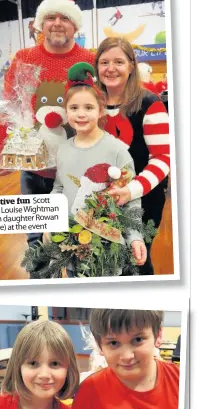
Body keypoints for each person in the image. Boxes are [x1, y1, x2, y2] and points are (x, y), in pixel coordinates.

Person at [0, 0, 95, 245]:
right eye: (51, 17)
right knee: (37, 245)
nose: (57, 23)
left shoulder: (88, 60)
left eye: (65, 17)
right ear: (40, 23)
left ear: (75, 25)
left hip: (77, 172)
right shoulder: (23, 58)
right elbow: (9, 109)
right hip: (32, 170)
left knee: (76, 244)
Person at [51, 63, 147, 271]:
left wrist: (135, 236)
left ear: (101, 109)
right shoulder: (63, 150)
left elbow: (131, 198)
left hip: (108, 246)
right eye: (74, 108)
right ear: (66, 112)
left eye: (88, 107)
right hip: (72, 247)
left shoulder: (117, 150)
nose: (81, 114)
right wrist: (50, 223)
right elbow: (59, 188)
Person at [94, 38, 170, 275]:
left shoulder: (150, 103)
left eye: (119, 61)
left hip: (143, 200)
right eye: (104, 62)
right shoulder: (92, 103)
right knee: (105, 261)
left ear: (131, 66)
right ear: (97, 67)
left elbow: (163, 157)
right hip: (99, 200)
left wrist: (130, 191)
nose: (111, 68)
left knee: (136, 261)